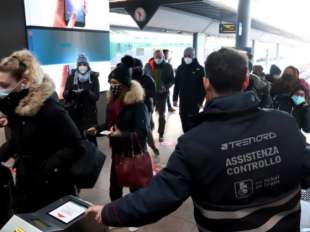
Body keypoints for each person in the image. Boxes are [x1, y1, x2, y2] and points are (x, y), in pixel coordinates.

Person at [87, 48, 310, 232]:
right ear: (245, 81)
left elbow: (159, 197)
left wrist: (108, 212)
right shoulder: (285, 125)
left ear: (206, 82)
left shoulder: (194, 143)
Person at [0, 50, 82, 213]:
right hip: (26, 184)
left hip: (51, 188)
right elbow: (18, 141)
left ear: (23, 83)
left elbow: (76, 145)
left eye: (4, 86)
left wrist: (45, 169)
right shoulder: (17, 107)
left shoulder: (49, 108)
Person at [63, 54, 100, 146]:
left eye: (84, 64)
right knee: (78, 141)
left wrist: (87, 92)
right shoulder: (71, 77)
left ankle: (94, 159)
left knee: (91, 140)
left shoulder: (93, 77)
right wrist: (71, 93)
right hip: (75, 113)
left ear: (88, 65)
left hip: (89, 114)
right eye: (80, 64)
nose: (82, 66)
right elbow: (65, 94)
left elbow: (96, 96)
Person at [131, 57, 159, 156]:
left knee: (146, 128)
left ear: (140, 67)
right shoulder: (129, 79)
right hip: (132, 108)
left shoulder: (148, 79)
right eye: (132, 67)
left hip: (145, 108)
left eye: (136, 67)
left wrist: (141, 92)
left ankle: (151, 147)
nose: (134, 69)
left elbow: (152, 93)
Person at [144, 50, 174, 142]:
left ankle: (161, 133)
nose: (158, 59)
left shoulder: (168, 66)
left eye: (160, 57)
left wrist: (166, 87)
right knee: (148, 114)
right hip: (150, 94)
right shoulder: (148, 66)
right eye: (156, 57)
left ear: (163, 57)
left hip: (162, 95)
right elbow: (144, 78)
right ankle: (148, 132)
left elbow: (172, 80)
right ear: (153, 56)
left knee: (161, 115)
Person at [173, 47, 205, 132]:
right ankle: (186, 135)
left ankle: (191, 138)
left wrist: (200, 102)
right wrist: (175, 99)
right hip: (183, 100)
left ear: (194, 56)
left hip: (194, 102)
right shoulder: (180, 68)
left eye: (189, 55)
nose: (187, 57)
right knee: (183, 118)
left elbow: (203, 88)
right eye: (185, 55)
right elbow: (176, 84)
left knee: (192, 121)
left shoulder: (200, 69)